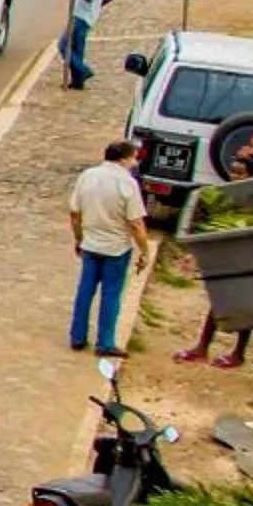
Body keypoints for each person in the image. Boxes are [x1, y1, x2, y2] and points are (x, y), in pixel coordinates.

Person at [175, 133, 253, 368]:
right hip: (229, 260)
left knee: (244, 308)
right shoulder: (226, 196)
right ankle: (203, 348)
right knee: (219, 302)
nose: (233, 176)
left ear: (251, 175)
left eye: (240, 173)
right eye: (232, 172)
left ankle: (236, 353)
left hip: (249, 262)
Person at [67, 139, 153, 356]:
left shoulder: (87, 176)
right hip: (116, 247)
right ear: (123, 159)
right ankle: (105, 342)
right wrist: (144, 250)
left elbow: (75, 214)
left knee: (85, 291)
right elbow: (136, 223)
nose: (135, 163)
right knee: (111, 295)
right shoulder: (127, 183)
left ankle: (77, 336)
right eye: (133, 158)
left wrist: (79, 239)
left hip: (90, 244)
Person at [62, 0, 115, 89]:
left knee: (63, 45)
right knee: (78, 50)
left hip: (80, 17)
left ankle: (83, 70)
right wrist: (96, 7)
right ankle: (78, 81)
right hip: (89, 18)